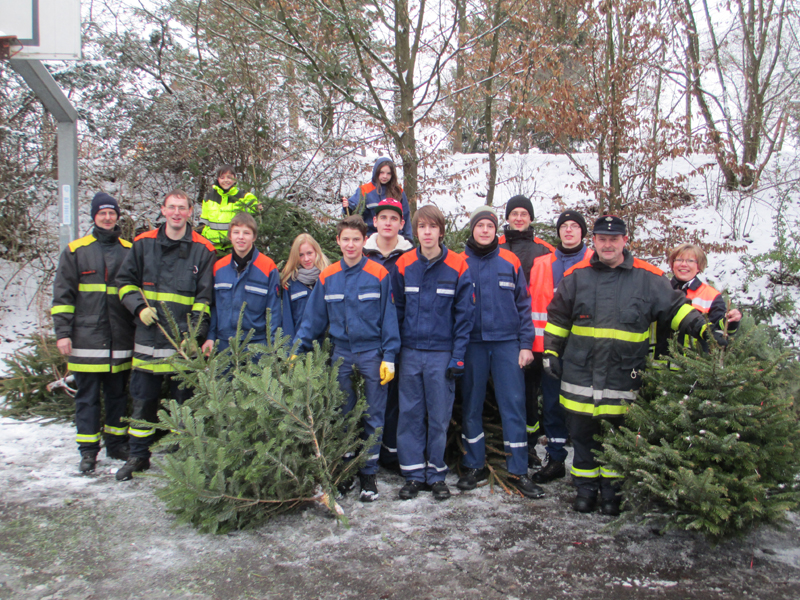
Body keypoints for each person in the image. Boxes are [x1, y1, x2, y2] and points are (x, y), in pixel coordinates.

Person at [543, 215, 709, 515]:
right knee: (582, 435)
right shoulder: (577, 275)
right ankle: (585, 489)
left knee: (618, 437)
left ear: (625, 241)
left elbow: (674, 308)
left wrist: (703, 329)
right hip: (580, 373)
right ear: (593, 241)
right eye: (602, 239)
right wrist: (551, 352)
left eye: (614, 239)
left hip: (624, 374)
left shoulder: (648, 277)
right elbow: (557, 317)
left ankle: (611, 493)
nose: (608, 244)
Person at [292, 215, 401, 502]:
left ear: (364, 241)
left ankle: (368, 473)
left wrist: (389, 356)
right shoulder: (327, 277)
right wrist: (296, 350)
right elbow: (312, 320)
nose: (350, 244)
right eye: (345, 239)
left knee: (374, 415)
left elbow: (389, 318)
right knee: (343, 414)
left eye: (356, 239)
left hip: (372, 354)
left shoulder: (378, 274)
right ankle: (346, 470)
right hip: (340, 353)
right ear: (338, 242)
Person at [115, 190, 216, 481]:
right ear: (162, 210)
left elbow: (204, 298)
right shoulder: (143, 243)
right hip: (149, 336)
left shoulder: (203, 249)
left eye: (181, 208)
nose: (176, 213)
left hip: (182, 342)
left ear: (189, 213)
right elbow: (125, 282)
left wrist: (194, 335)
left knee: (182, 404)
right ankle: (138, 455)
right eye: (171, 207)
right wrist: (137, 308)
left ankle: (180, 459)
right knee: (143, 400)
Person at [458, 206, 545, 499]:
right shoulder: (459, 263)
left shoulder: (510, 260)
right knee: (471, 404)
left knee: (514, 405)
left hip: (507, 343)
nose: (485, 230)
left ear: (497, 230)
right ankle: (473, 464)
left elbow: (524, 305)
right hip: (472, 344)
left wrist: (525, 345)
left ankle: (519, 470)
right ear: (472, 230)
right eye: (480, 225)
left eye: (490, 226)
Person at [391, 205, 474, 501]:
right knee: (410, 415)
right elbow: (395, 311)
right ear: (415, 230)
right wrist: (395, 352)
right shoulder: (403, 265)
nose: (427, 232)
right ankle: (413, 475)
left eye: (432, 227)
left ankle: (436, 474)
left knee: (439, 416)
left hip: (442, 353)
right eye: (422, 227)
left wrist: (458, 356)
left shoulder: (458, 265)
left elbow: (465, 317)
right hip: (411, 352)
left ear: (441, 230)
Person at [52, 193, 136, 473]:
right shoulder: (77, 250)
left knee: (117, 396)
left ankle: (116, 443)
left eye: (112, 213)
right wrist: (62, 333)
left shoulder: (129, 250)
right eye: (102, 213)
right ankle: (88, 451)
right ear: (94, 216)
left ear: (117, 217)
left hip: (120, 339)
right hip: (86, 340)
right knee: (86, 398)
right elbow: (63, 295)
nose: (108, 217)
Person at [529, 210, 591, 484]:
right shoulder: (542, 263)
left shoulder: (596, 260)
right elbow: (530, 304)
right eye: (563, 226)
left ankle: (586, 463)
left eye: (574, 226)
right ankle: (555, 459)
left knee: (585, 407)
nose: (568, 231)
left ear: (582, 232)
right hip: (549, 347)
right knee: (552, 405)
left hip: (586, 349)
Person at [498, 195, 555, 465]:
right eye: (514, 213)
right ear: (507, 217)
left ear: (530, 218)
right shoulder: (494, 245)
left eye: (524, 213)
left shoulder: (545, 250)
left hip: (531, 335)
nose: (518, 218)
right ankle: (499, 442)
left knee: (529, 394)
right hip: (498, 333)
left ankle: (529, 446)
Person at [362, 198, 414, 472]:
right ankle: (365, 452)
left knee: (396, 396)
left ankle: (391, 453)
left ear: (401, 224)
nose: (388, 223)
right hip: (369, 337)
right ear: (375, 222)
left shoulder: (410, 256)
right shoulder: (362, 253)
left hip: (402, 336)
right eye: (383, 218)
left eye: (394, 219)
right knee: (370, 397)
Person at [202, 213, 281, 354]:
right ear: (230, 236)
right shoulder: (218, 268)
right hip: (224, 344)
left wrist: (273, 346)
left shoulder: (268, 267)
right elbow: (213, 307)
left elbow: (274, 311)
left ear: (254, 237)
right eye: (236, 232)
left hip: (257, 345)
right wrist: (210, 336)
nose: (241, 237)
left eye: (246, 233)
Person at [653, 242, 742, 360]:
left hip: (693, 369)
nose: (684, 264)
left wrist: (731, 320)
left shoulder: (711, 295)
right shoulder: (659, 291)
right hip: (657, 367)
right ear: (672, 264)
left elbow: (719, 331)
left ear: (699, 266)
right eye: (679, 260)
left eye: (690, 261)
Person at [341, 157, 413, 240]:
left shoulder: (398, 191)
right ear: (376, 172)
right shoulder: (365, 190)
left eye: (388, 173)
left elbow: (406, 217)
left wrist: (409, 240)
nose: (385, 176)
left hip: (395, 239)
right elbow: (353, 208)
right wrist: (347, 206)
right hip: (371, 238)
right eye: (381, 172)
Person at [280, 234, 331, 341]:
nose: (306, 259)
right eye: (301, 255)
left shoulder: (328, 278)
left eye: (309, 253)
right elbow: (287, 319)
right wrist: (291, 351)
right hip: (300, 347)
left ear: (316, 252)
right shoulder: (290, 283)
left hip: (327, 347)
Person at [199, 165, 259, 250]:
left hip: (233, 246)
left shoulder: (244, 196)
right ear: (218, 179)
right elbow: (204, 220)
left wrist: (257, 207)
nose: (226, 180)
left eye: (229, 177)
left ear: (235, 178)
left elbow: (253, 210)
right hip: (211, 246)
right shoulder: (209, 198)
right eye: (222, 177)